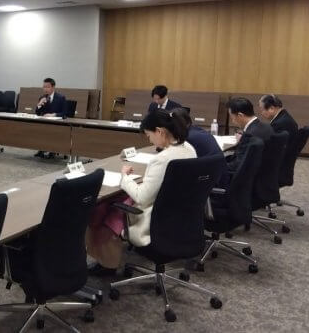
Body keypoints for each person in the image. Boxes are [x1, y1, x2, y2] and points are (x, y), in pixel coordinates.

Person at [86, 109, 195, 275]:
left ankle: (107, 263)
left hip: (155, 220)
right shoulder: (189, 148)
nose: (149, 140)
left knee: (105, 207)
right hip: (180, 216)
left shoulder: (162, 159)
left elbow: (142, 197)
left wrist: (125, 177)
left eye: (149, 135)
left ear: (160, 131)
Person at [225, 97, 273, 175]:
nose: (232, 121)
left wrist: (217, 166)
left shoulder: (249, 135)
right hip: (264, 172)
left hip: (246, 176)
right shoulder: (267, 127)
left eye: (232, 117)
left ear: (240, 115)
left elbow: (237, 165)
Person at [34, 78, 66, 159]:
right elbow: (37, 113)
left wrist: (53, 115)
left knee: (51, 130)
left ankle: (53, 151)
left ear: (53, 87)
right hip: (44, 123)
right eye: (44, 87)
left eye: (47, 87)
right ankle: (42, 149)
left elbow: (64, 113)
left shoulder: (61, 98)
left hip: (57, 124)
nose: (45, 89)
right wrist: (39, 104)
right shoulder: (42, 97)